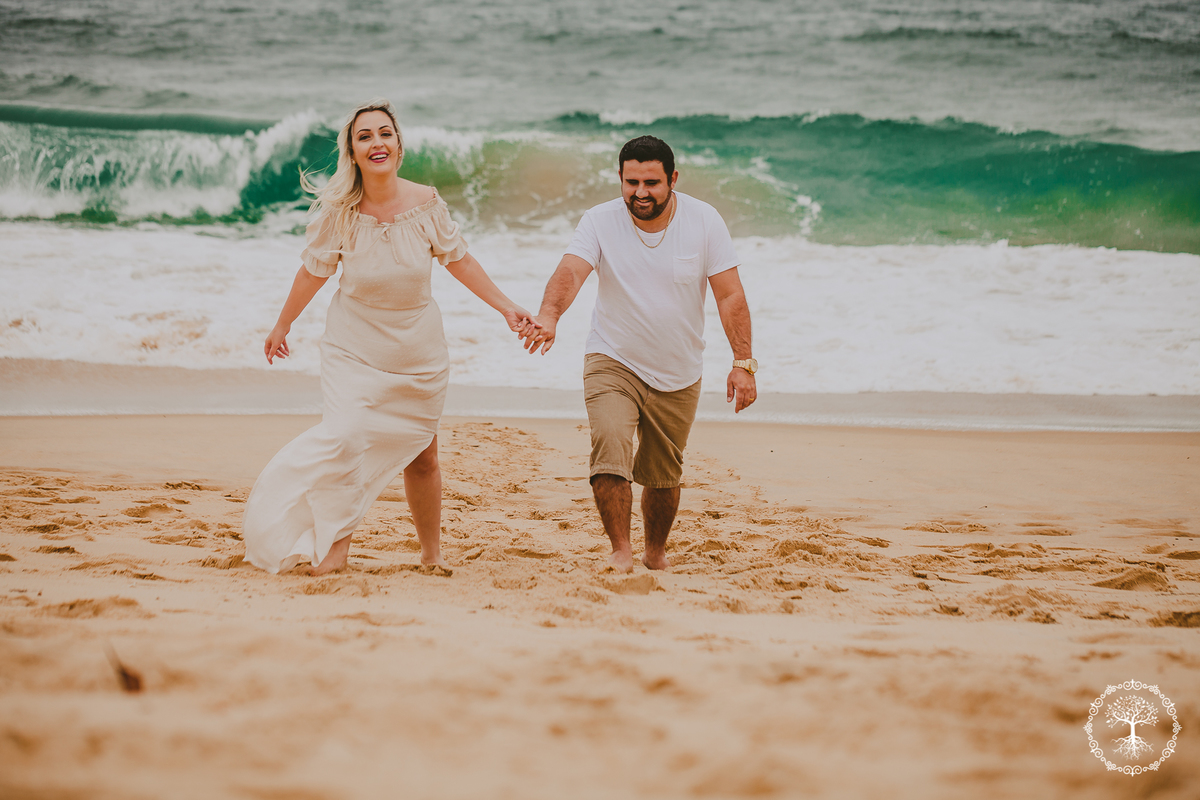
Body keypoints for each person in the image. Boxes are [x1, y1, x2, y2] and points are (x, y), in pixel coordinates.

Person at [244, 99, 537, 576]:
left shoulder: (426, 203)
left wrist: (506, 307)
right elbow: (312, 272)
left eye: (384, 133)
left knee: (423, 458)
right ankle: (334, 552)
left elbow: (460, 259)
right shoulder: (338, 212)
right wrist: (283, 324)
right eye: (365, 137)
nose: (376, 142)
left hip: (416, 353)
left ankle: (431, 555)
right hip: (352, 348)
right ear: (353, 152)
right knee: (345, 440)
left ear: (398, 145)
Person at [520, 135, 756, 573]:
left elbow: (730, 296)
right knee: (610, 445)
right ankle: (621, 551)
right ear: (620, 178)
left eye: (651, 182)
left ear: (673, 180)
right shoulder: (599, 220)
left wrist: (743, 362)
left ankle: (655, 553)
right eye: (631, 182)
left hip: (679, 369)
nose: (640, 193)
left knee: (664, 473)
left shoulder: (704, 221)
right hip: (613, 357)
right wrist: (549, 316)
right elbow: (571, 271)